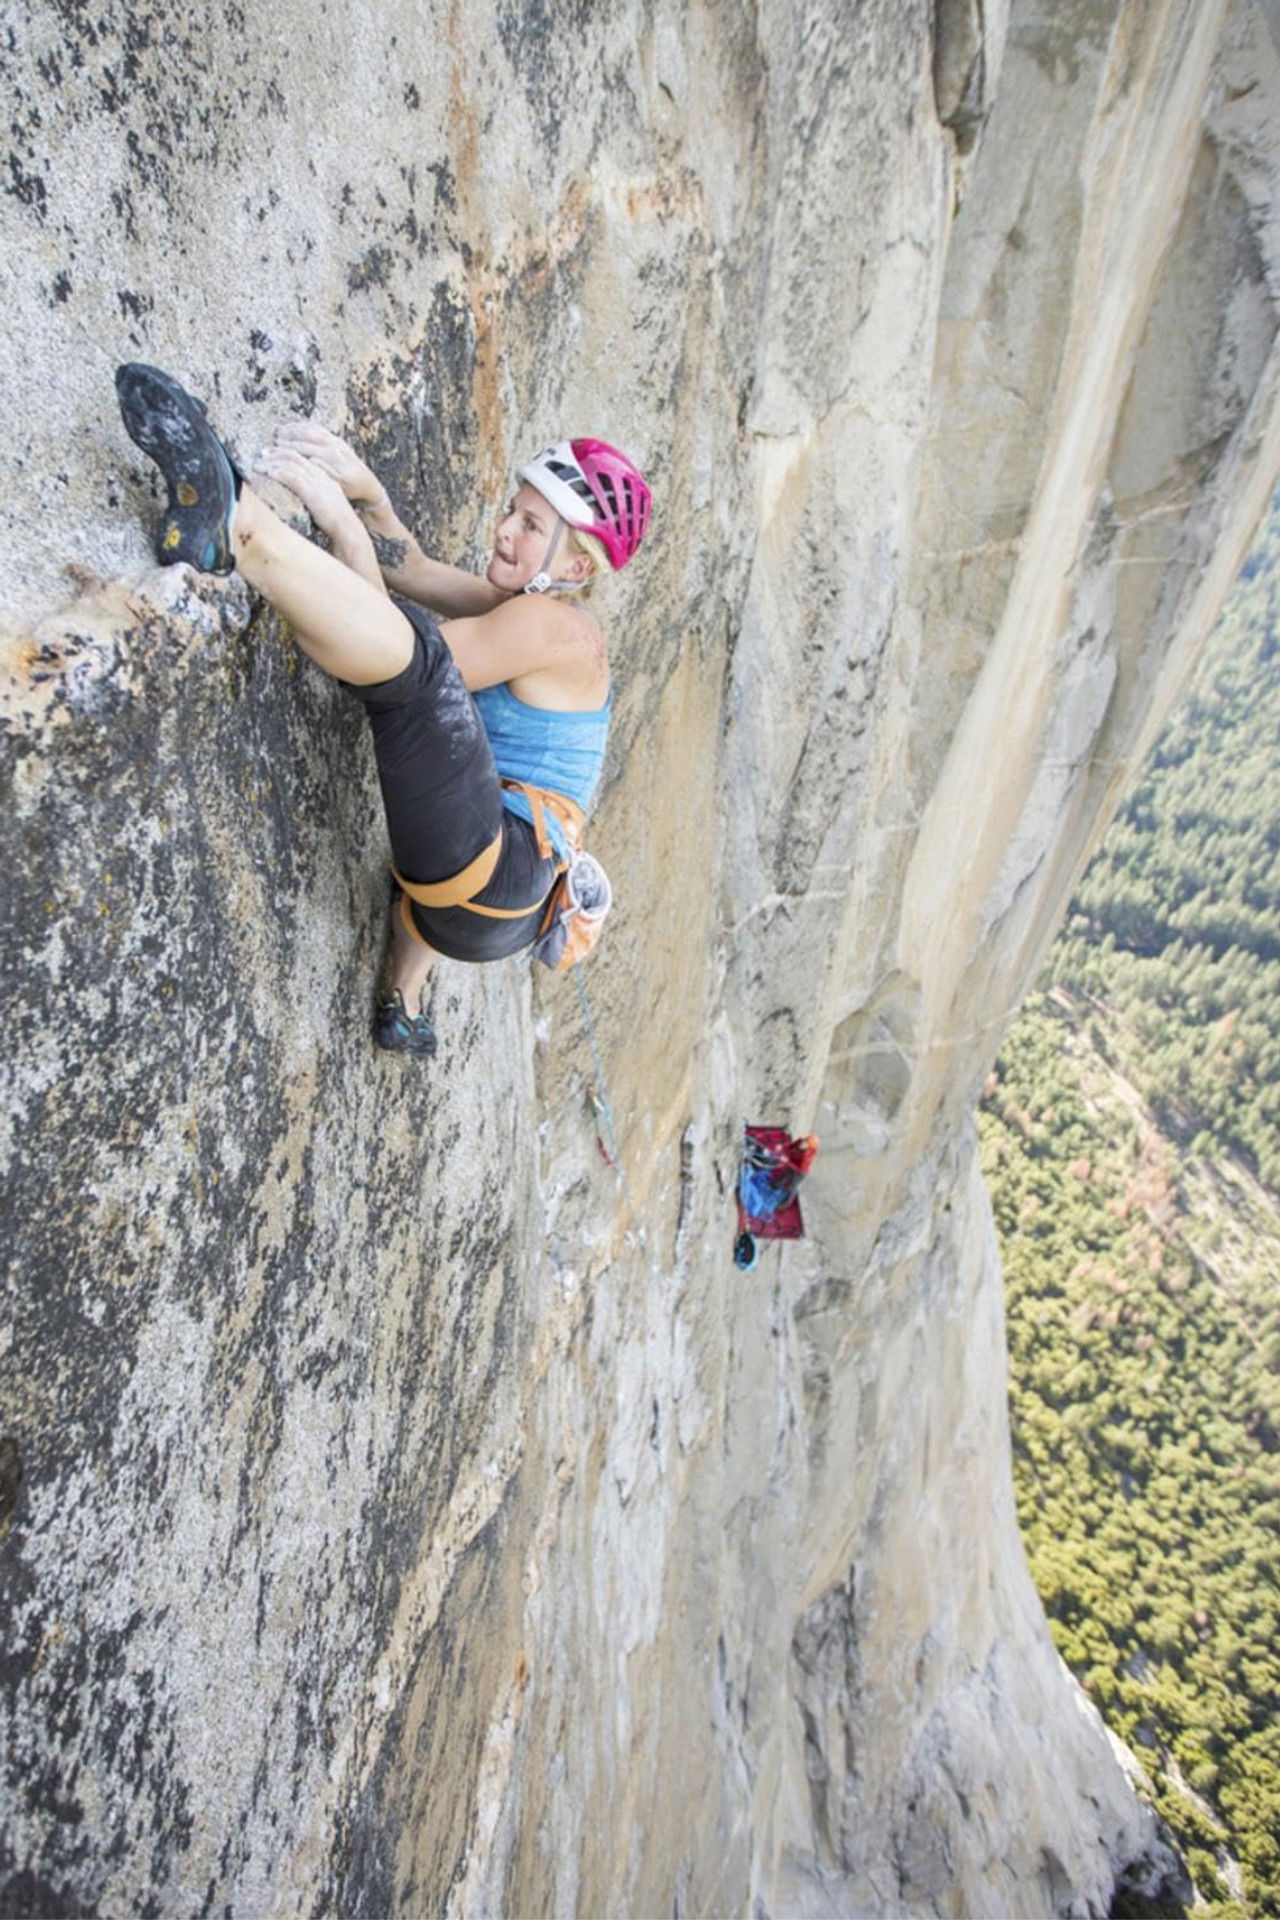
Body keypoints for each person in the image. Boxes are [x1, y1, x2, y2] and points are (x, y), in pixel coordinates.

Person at [114, 363, 651, 1057]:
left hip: (500, 873)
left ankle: (239, 528)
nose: (503, 531)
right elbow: (416, 571)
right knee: (449, 743)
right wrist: (366, 492)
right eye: (512, 510)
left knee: (421, 673)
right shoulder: (536, 612)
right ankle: (404, 1006)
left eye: (530, 524)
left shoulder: (549, 627)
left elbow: (406, 662)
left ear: (576, 567)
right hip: (481, 905)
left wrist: (344, 528)